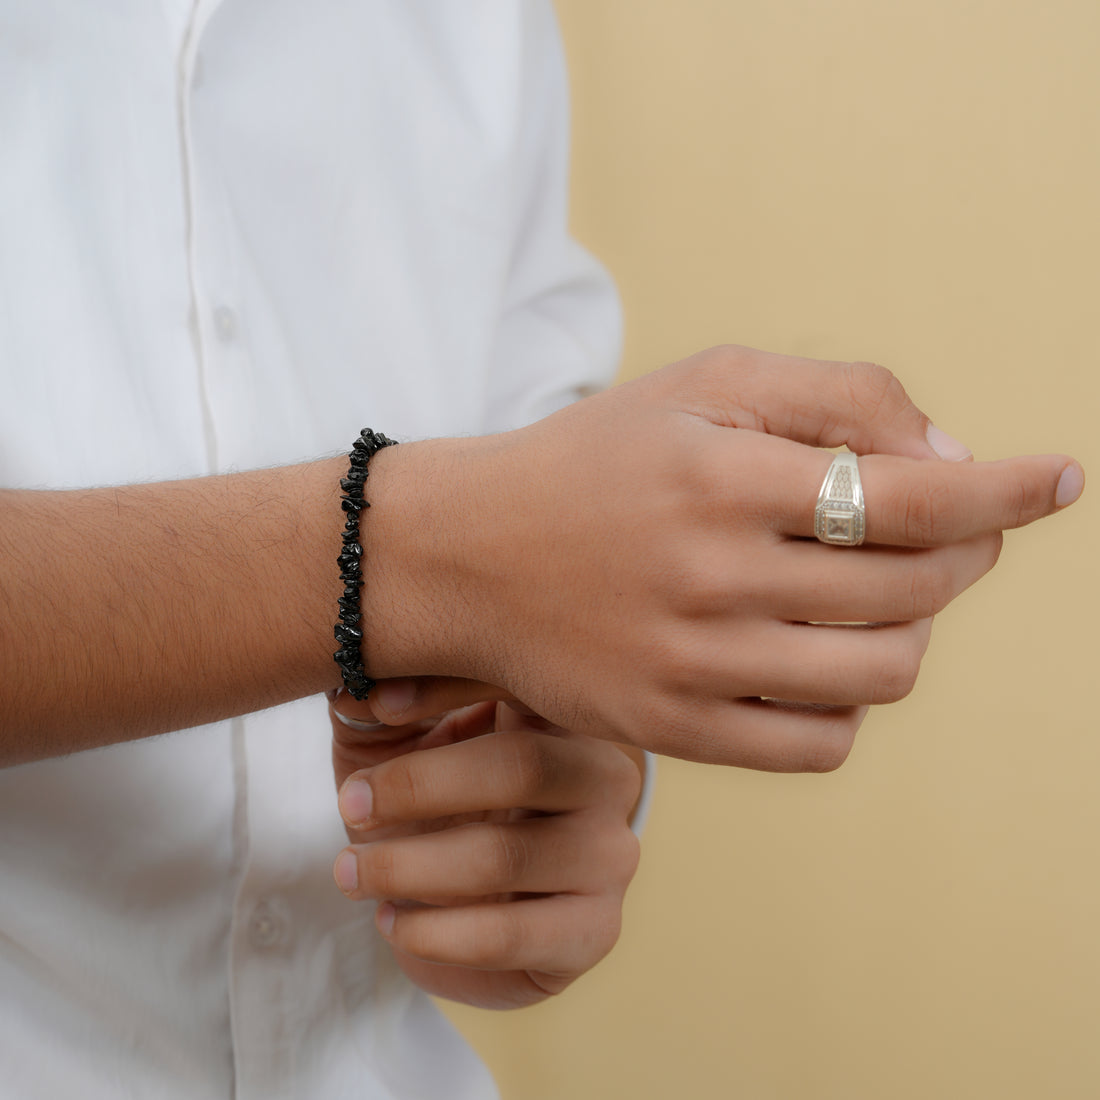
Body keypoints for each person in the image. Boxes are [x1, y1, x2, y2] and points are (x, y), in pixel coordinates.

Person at [0, 2, 1082, 1097]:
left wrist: (556, 787)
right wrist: (412, 556)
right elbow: (475, 541)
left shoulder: (480, 27)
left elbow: (529, 536)